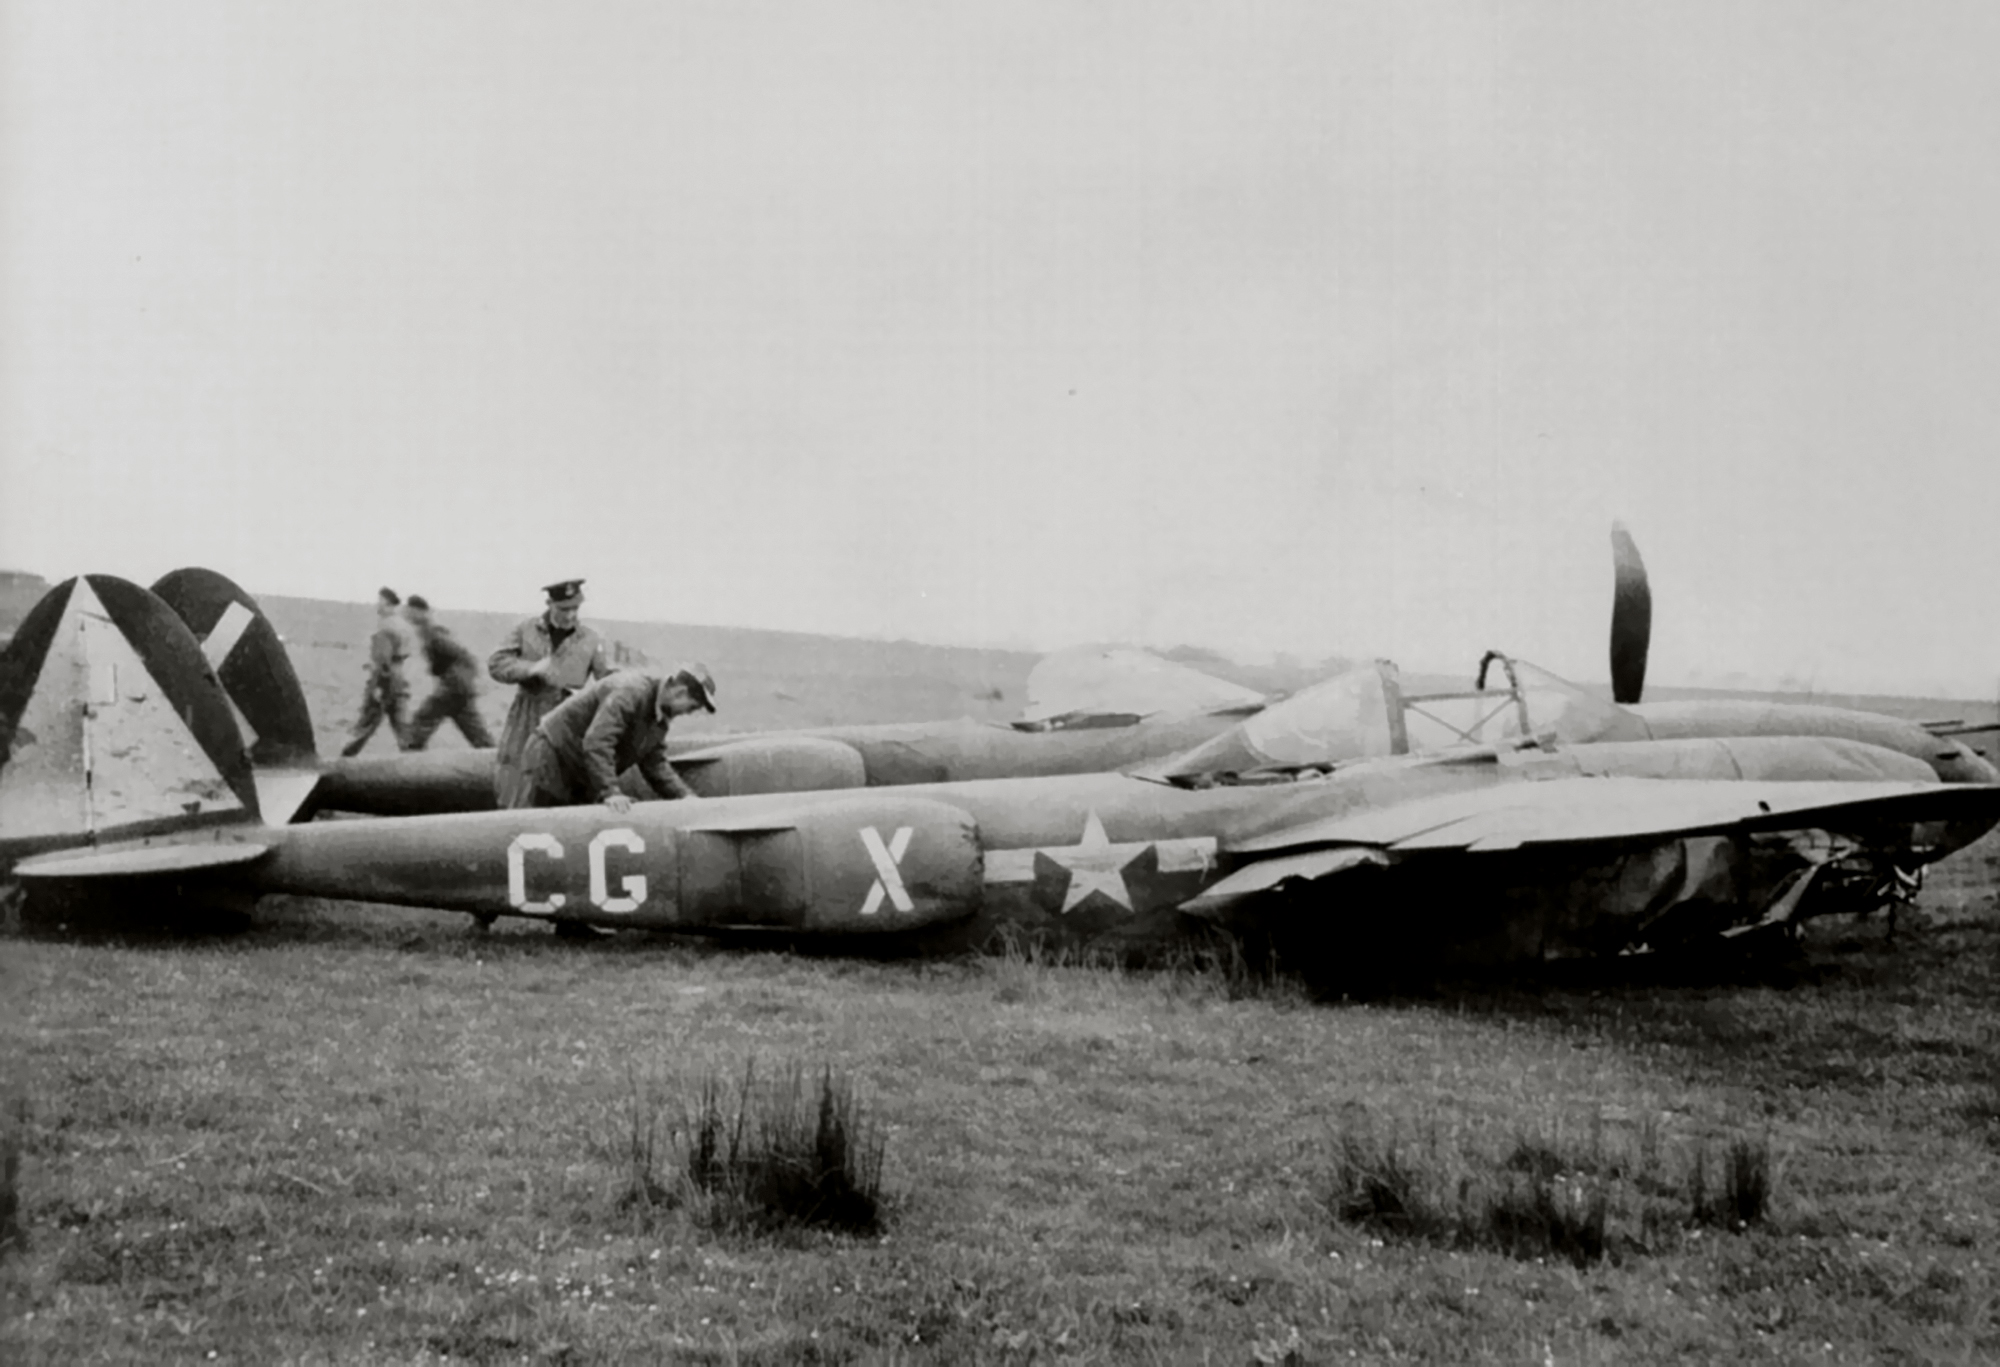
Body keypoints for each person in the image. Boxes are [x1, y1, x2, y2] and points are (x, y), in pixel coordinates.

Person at [511, 665, 717, 812]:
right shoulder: (631, 691)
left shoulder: (659, 719)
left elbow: (654, 763)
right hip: (552, 756)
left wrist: (685, 797)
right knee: (540, 832)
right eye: (692, 707)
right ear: (680, 692)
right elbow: (598, 741)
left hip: (579, 771)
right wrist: (610, 792)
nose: (688, 713)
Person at [487, 579, 613, 807]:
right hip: (527, 713)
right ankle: (513, 820)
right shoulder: (526, 630)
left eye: (575, 608)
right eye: (563, 609)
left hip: (567, 716)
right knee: (515, 774)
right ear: (549, 604)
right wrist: (530, 669)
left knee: (562, 779)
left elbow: (606, 680)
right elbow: (496, 664)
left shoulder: (591, 639)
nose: (570, 615)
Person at [402, 595, 496, 751]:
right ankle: (493, 756)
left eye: (410, 610)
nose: (407, 614)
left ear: (420, 611)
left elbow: (461, 655)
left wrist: (454, 678)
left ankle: (410, 754)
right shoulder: (428, 631)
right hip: (460, 687)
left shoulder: (433, 632)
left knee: (423, 718)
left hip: (453, 686)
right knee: (474, 729)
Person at [340, 587, 412, 757]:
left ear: (387, 603)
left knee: (366, 722)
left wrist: (378, 686)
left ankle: (344, 759)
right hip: (400, 678)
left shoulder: (385, 627)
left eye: (380, 602)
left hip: (385, 678)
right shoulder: (403, 625)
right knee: (401, 725)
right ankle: (414, 759)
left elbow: (383, 661)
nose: (377, 605)